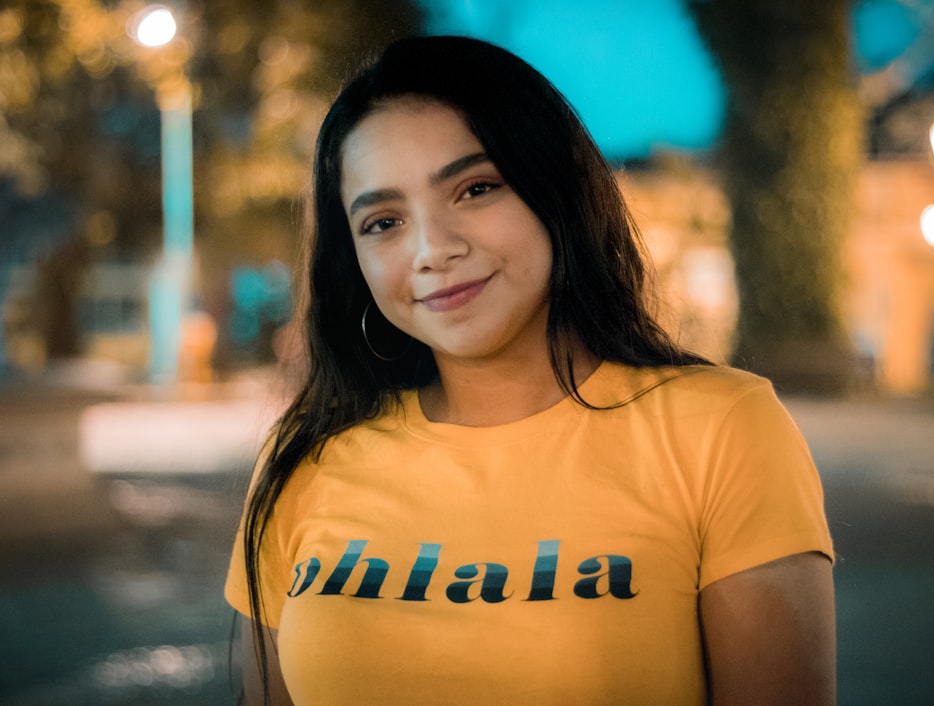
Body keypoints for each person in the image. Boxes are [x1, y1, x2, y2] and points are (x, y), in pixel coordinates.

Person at [225, 35, 836, 706]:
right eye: (384, 221)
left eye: (476, 189)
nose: (433, 250)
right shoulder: (304, 457)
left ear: (556, 190)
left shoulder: (721, 430)